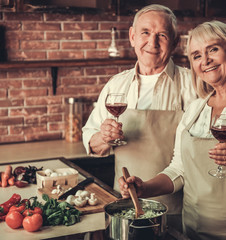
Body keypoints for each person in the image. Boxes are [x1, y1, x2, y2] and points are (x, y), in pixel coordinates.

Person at [119, 20, 226, 240]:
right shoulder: (195, 109)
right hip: (194, 230)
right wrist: (145, 188)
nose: (206, 60)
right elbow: (179, 169)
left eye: (213, 49)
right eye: (196, 55)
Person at [82, 4, 197, 230]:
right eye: (145, 33)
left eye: (162, 35)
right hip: (124, 207)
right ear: (133, 37)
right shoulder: (117, 85)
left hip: (178, 209)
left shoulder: (192, 84)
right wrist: (103, 137)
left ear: (174, 43)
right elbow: (91, 142)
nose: (152, 43)